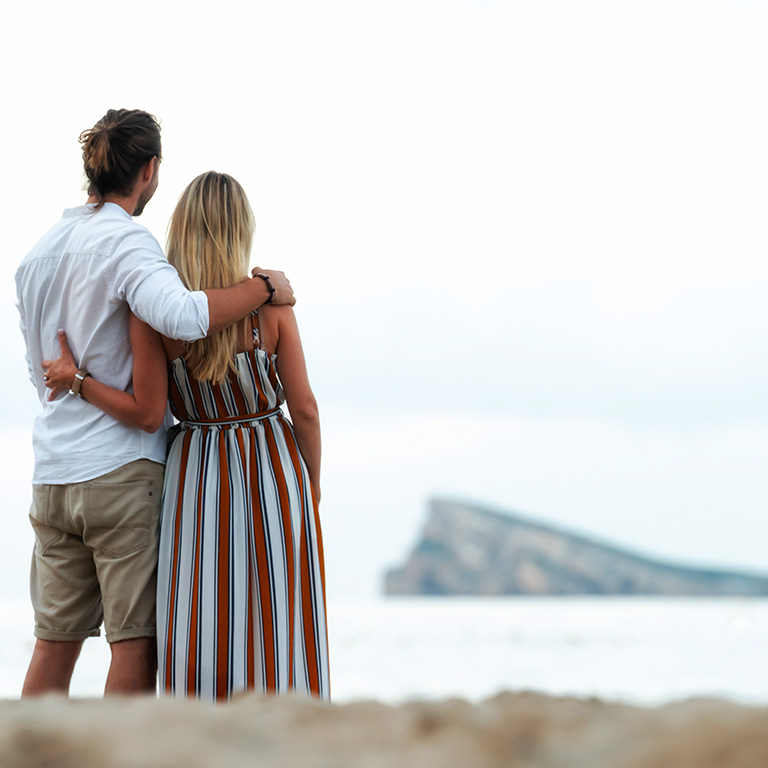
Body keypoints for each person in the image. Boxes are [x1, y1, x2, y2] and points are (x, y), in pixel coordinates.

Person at [15, 110, 294, 697]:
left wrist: (79, 380)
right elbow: (186, 317)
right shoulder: (126, 242)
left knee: (53, 644)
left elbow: (41, 375)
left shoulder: (35, 257)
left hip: (53, 473)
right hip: (119, 472)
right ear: (150, 170)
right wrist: (264, 289)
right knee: (134, 641)